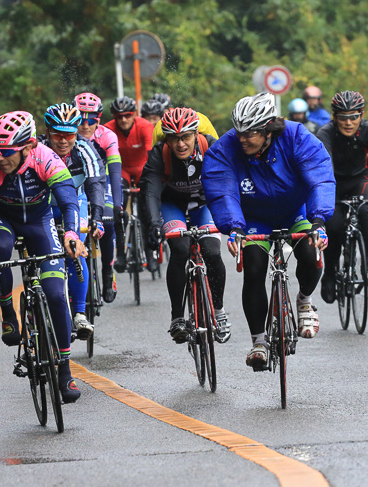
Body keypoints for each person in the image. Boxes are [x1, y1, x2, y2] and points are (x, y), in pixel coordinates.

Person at [202, 92, 334, 369]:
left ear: (268, 129)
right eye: (239, 132)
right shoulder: (226, 149)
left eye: (249, 133)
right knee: (253, 267)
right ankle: (259, 341)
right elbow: (223, 190)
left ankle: (305, 300)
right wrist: (234, 228)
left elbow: (319, 177)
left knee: (311, 253)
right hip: (253, 219)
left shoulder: (297, 137)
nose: (242, 139)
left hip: (295, 212)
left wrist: (319, 221)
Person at [0, 111, 87, 403]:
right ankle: (9, 313)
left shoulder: (46, 158)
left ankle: (64, 370)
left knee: (56, 296)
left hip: (39, 220)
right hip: (3, 220)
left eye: (7, 153)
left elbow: (68, 199)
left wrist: (71, 234)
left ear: (28, 146)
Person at [140, 108, 230, 344]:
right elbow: (149, 190)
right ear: (166, 139)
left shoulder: (211, 146)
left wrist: (233, 219)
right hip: (173, 205)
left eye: (186, 137)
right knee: (180, 250)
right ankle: (177, 317)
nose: (180, 144)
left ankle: (218, 312)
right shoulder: (160, 153)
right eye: (174, 138)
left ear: (195, 134)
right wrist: (152, 224)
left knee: (211, 251)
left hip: (204, 204)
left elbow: (226, 184)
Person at [40, 102, 106, 338]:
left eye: (69, 134)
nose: (63, 141)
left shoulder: (84, 149)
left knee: (75, 250)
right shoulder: (38, 149)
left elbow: (96, 183)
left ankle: (79, 313)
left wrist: (97, 217)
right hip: (45, 206)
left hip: (74, 205)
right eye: (57, 135)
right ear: (48, 132)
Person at [317, 91, 368, 303]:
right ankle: (330, 274)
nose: (349, 122)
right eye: (343, 117)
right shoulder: (326, 133)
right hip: (334, 182)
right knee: (335, 225)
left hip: (360, 181)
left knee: (366, 213)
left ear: (361, 115)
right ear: (334, 117)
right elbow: (323, 164)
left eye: (354, 116)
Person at [73, 92, 124, 302]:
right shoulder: (66, 136)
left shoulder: (107, 136)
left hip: (102, 182)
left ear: (99, 119)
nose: (85, 125)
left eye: (91, 119)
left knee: (108, 218)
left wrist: (118, 205)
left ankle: (107, 270)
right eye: (80, 119)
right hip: (77, 183)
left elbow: (114, 171)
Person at [103, 96, 154, 273]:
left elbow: (150, 153)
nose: (123, 119)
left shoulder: (145, 126)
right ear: (114, 117)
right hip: (121, 170)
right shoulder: (108, 129)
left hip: (142, 168)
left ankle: (149, 254)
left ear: (134, 115)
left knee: (147, 211)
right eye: (119, 116)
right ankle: (121, 255)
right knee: (119, 209)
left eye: (127, 115)